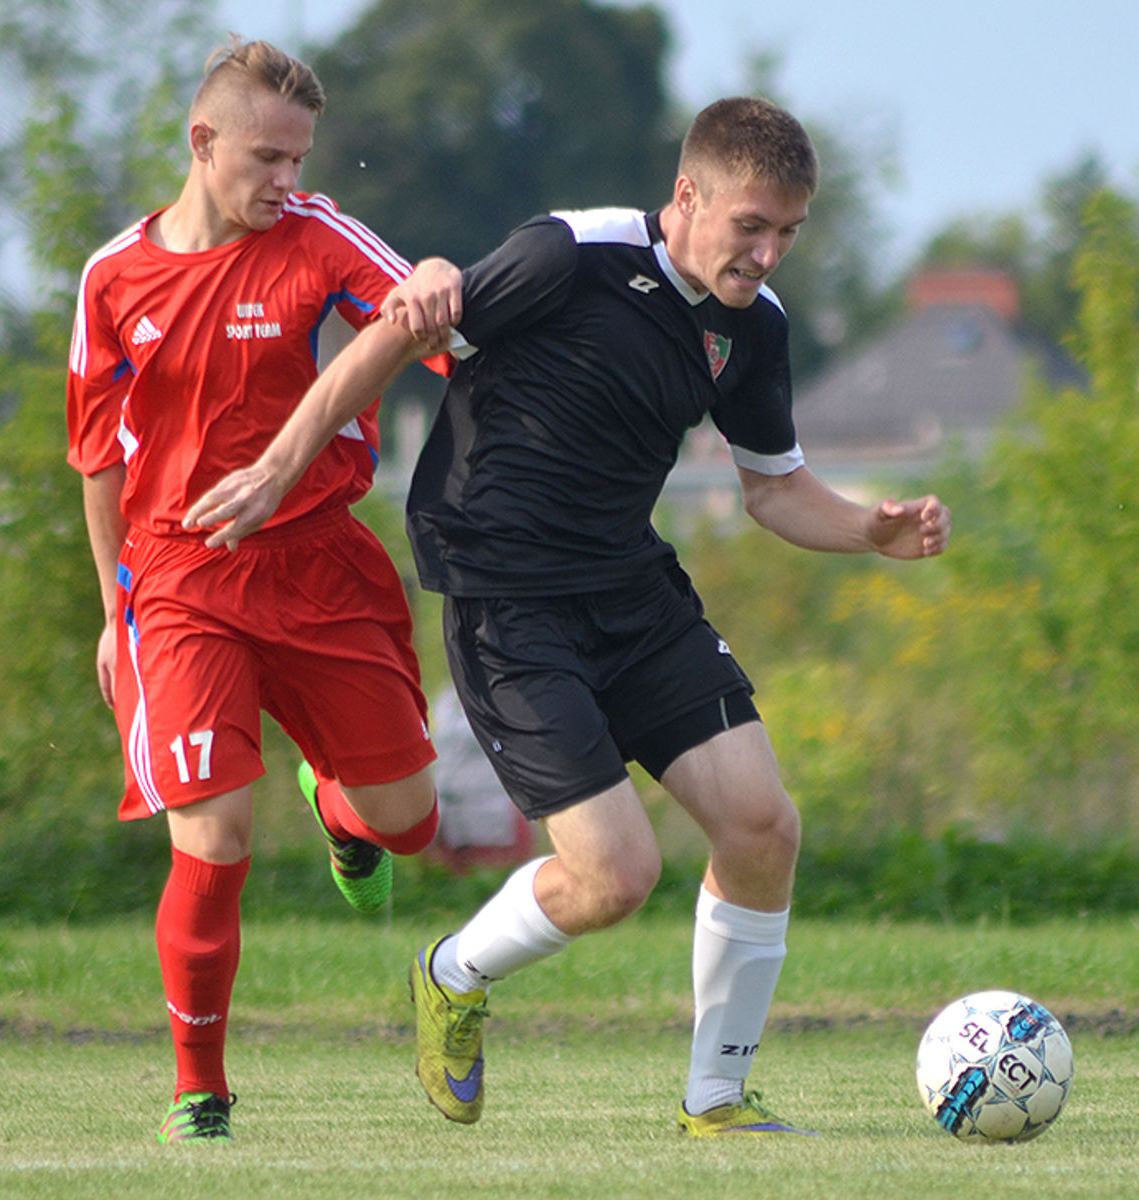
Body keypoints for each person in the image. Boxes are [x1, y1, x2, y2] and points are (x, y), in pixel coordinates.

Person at [183, 96, 952, 1137]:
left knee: (764, 827)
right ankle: (452, 975)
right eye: (750, 226)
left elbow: (773, 489)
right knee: (616, 875)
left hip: (630, 593)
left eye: (788, 233)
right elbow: (395, 337)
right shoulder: (571, 255)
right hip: (509, 604)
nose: (768, 253)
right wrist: (281, 463)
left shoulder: (752, 330)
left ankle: (716, 1102)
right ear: (688, 197)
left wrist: (871, 529)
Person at [65, 37, 454, 1143]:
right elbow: (97, 456)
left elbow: (419, 309)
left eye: (299, 158)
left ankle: (339, 813)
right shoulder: (113, 277)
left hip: (322, 564)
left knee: (410, 824)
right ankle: (201, 1089)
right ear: (203, 143)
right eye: (268, 157)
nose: (286, 180)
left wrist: (429, 279)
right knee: (214, 835)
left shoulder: (316, 235)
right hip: (181, 582)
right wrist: (113, 612)